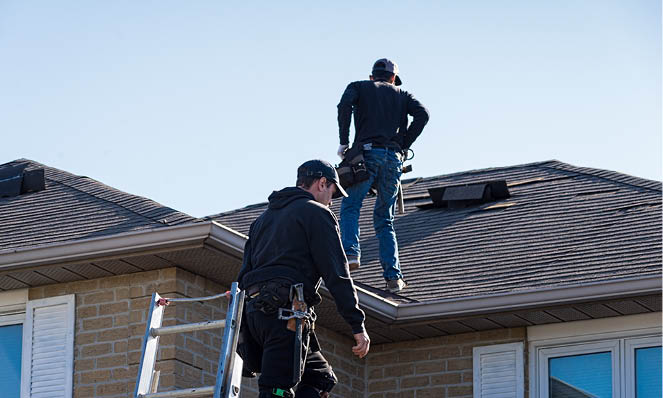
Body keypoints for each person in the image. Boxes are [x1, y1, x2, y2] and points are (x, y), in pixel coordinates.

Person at [236, 159, 370, 398]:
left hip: (255, 314)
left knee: (320, 375)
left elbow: (244, 273)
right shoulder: (317, 213)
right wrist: (357, 325)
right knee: (275, 390)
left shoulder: (262, 220)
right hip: (284, 313)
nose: (331, 201)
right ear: (321, 183)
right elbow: (337, 274)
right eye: (332, 192)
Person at [337, 58, 430, 293]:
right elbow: (423, 115)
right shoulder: (403, 95)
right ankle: (393, 277)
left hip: (367, 155)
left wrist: (344, 142)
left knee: (351, 206)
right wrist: (403, 143)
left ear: (372, 76)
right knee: (384, 219)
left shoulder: (359, 87)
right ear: (392, 78)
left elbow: (343, 106)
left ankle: (350, 254)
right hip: (393, 159)